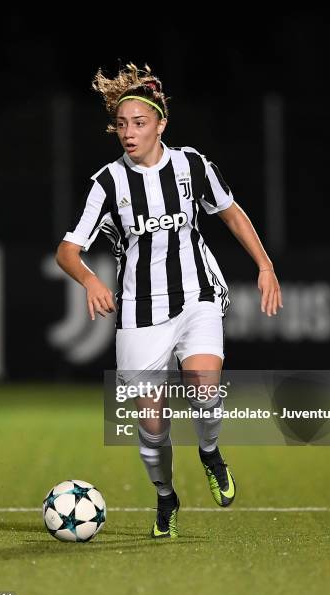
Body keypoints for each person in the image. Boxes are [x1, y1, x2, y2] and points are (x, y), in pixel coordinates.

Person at [56, 62, 283, 539]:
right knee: (153, 424)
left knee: (204, 388)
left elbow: (230, 212)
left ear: (161, 124)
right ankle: (166, 497)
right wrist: (90, 281)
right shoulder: (108, 184)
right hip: (140, 312)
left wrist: (264, 265)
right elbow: (68, 251)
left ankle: (210, 453)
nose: (128, 133)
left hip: (198, 295)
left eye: (139, 123)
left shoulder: (192, 165)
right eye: (121, 125)